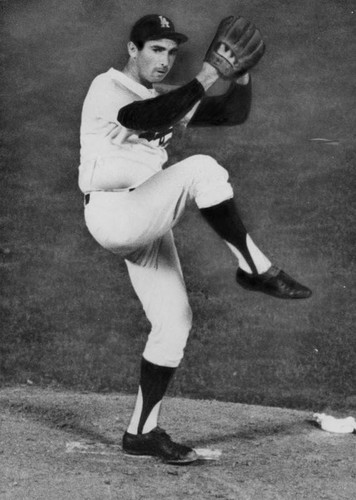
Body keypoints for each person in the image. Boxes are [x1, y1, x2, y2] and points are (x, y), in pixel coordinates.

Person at [78, 14, 312, 464]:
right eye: (155, 49)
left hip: (145, 216)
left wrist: (238, 77)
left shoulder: (166, 95)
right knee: (202, 168)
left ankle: (141, 432)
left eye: (170, 51)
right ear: (133, 50)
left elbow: (230, 112)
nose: (164, 60)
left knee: (174, 322)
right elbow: (142, 115)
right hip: (114, 212)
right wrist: (208, 73)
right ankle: (255, 269)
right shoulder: (106, 87)